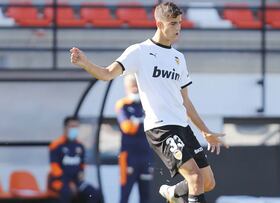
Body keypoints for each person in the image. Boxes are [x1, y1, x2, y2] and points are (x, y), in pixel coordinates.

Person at [70, 2, 228, 203]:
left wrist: (205, 130)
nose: (177, 28)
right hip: (161, 128)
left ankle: (173, 193)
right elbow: (106, 74)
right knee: (195, 178)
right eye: (172, 23)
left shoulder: (178, 58)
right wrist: (85, 62)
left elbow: (185, 101)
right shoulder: (139, 51)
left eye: (179, 23)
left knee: (207, 182)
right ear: (159, 23)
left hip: (183, 127)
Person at [115, 74, 153, 203]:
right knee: (125, 194)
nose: (135, 89)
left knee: (146, 195)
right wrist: (142, 123)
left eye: (137, 86)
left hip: (146, 155)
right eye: (132, 86)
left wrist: (137, 123)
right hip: (129, 157)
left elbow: (155, 126)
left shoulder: (148, 104)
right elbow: (127, 127)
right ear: (127, 88)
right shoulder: (123, 104)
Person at [48, 117, 102, 203]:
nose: (74, 129)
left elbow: (82, 165)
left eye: (76, 127)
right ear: (65, 128)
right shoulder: (56, 145)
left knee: (94, 193)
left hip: (77, 182)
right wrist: (69, 182)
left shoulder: (80, 146)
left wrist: (81, 173)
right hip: (60, 181)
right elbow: (54, 168)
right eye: (72, 126)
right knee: (66, 193)